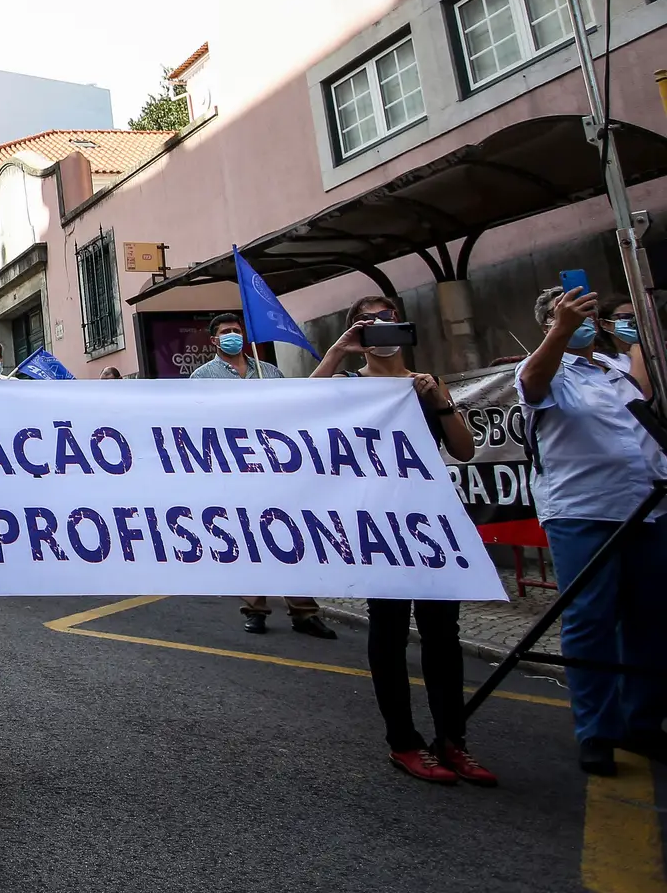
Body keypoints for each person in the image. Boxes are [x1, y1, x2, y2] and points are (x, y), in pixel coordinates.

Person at [314, 295, 493, 786]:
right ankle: (404, 743)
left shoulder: (424, 385)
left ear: (404, 326)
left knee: (442, 634)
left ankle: (453, 741)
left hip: (430, 524)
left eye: (388, 319)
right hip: (378, 523)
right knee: (389, 631)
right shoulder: (349, 386)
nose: (380, 327)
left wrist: (439, 400)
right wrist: (338, 351)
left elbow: (463, 448)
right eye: (367, 321)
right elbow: (301, 409)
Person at [517, 284, 667, 776]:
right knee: (590, 621)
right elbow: (534, 388)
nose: (585, 320)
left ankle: (642, 722)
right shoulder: (547, 367)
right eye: (569, 314)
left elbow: (649, 402)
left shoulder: (617, 368)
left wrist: (640, 332)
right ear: (550, 323)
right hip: (584, 510)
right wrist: (561, 332)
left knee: (649, 619)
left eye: (588, 313)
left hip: (646, 507)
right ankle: (597, 731)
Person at [192, 313, 336, 639]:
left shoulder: (267, 370)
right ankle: (255, 608)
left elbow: (289, 408)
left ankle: (304, 610)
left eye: (236, 331)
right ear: (214, 341)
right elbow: (199, 418)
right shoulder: (203, 375)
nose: (233, 336)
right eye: (226, 332)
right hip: (235, 468)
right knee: (248, 535)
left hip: (274, 464)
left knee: (288, 533)